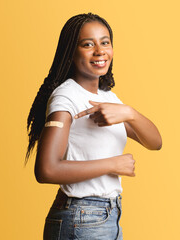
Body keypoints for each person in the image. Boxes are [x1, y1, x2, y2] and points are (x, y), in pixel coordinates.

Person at [25, 13, 162, 240]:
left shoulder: (107, 97)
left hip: (104, 216)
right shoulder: (66, 98)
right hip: (82, 216)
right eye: (88, 44)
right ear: (71, 51)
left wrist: (129, 112)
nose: (100, 51)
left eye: (105, 42)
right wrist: (113, 164)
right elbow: (46, 169)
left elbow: (155, 142)